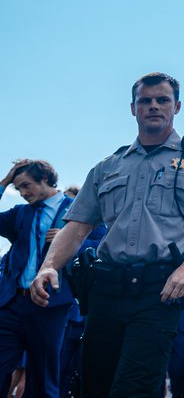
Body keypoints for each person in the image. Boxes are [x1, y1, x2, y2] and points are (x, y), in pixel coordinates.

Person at [30, 72, 184, 398]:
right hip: (106, 291)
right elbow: (77, 226)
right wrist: (49, 266)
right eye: (145, 101)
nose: (153, 106)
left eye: (162, 100)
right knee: (94, 388)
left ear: (177, 106)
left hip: (161, 290)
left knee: (133, 389)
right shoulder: (108, 167)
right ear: (132, 108)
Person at [0, 160, 100, 398]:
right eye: (18, 188)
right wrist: (4, 182)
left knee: (43, 377)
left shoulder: (78, 209)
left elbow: (102, 245)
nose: (23, 193)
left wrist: (73, 241)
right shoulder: (20, 213)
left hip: (51, 305)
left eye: (26, 186)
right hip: (12, 304)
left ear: (45, 179)